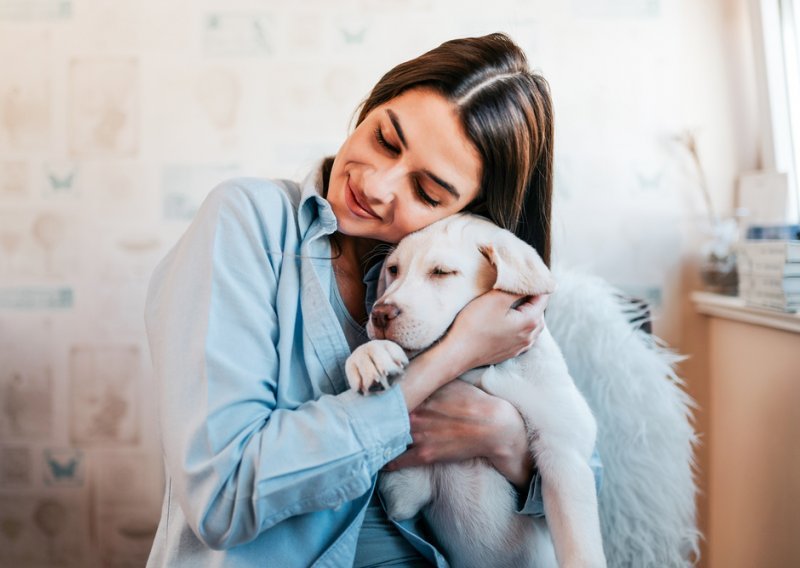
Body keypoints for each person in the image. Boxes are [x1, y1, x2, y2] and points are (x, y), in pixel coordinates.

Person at [144, 32, 600, 567]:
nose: (378, 185)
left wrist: (506, 441)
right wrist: (448, 360)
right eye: (385, 139)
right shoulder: (247, 222)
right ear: (370, 107)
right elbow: (222, 496)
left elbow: (584, 476)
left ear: (469, 213)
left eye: (427, 192)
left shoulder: (476, 282)